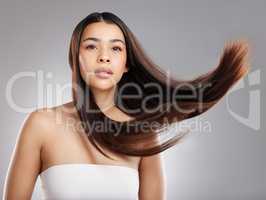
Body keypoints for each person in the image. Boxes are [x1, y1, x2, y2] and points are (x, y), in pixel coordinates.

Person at [3, 12, 249, 200]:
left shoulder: (143, 134)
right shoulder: (41, 125)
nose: (104, 56)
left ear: (126, 64)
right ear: (74, 57)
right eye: (91, 46)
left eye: (116, 48)